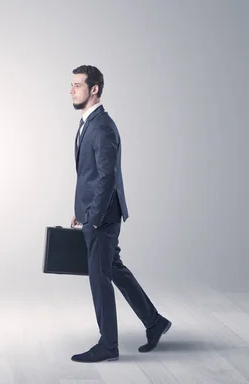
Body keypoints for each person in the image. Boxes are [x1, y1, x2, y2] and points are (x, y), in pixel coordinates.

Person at [68, 65, 172, 363]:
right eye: (71, 84)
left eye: (77, 85)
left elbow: (107, 178)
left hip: (102, 218)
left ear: (94, 89)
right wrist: (81, 210)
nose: (72, 90)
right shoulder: (89, 123)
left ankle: (108, 345)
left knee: (99, 277)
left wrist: (94, 218)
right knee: (114, 269)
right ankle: (155, 322)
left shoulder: (101, 127)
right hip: (96, 213)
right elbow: (89, 175)